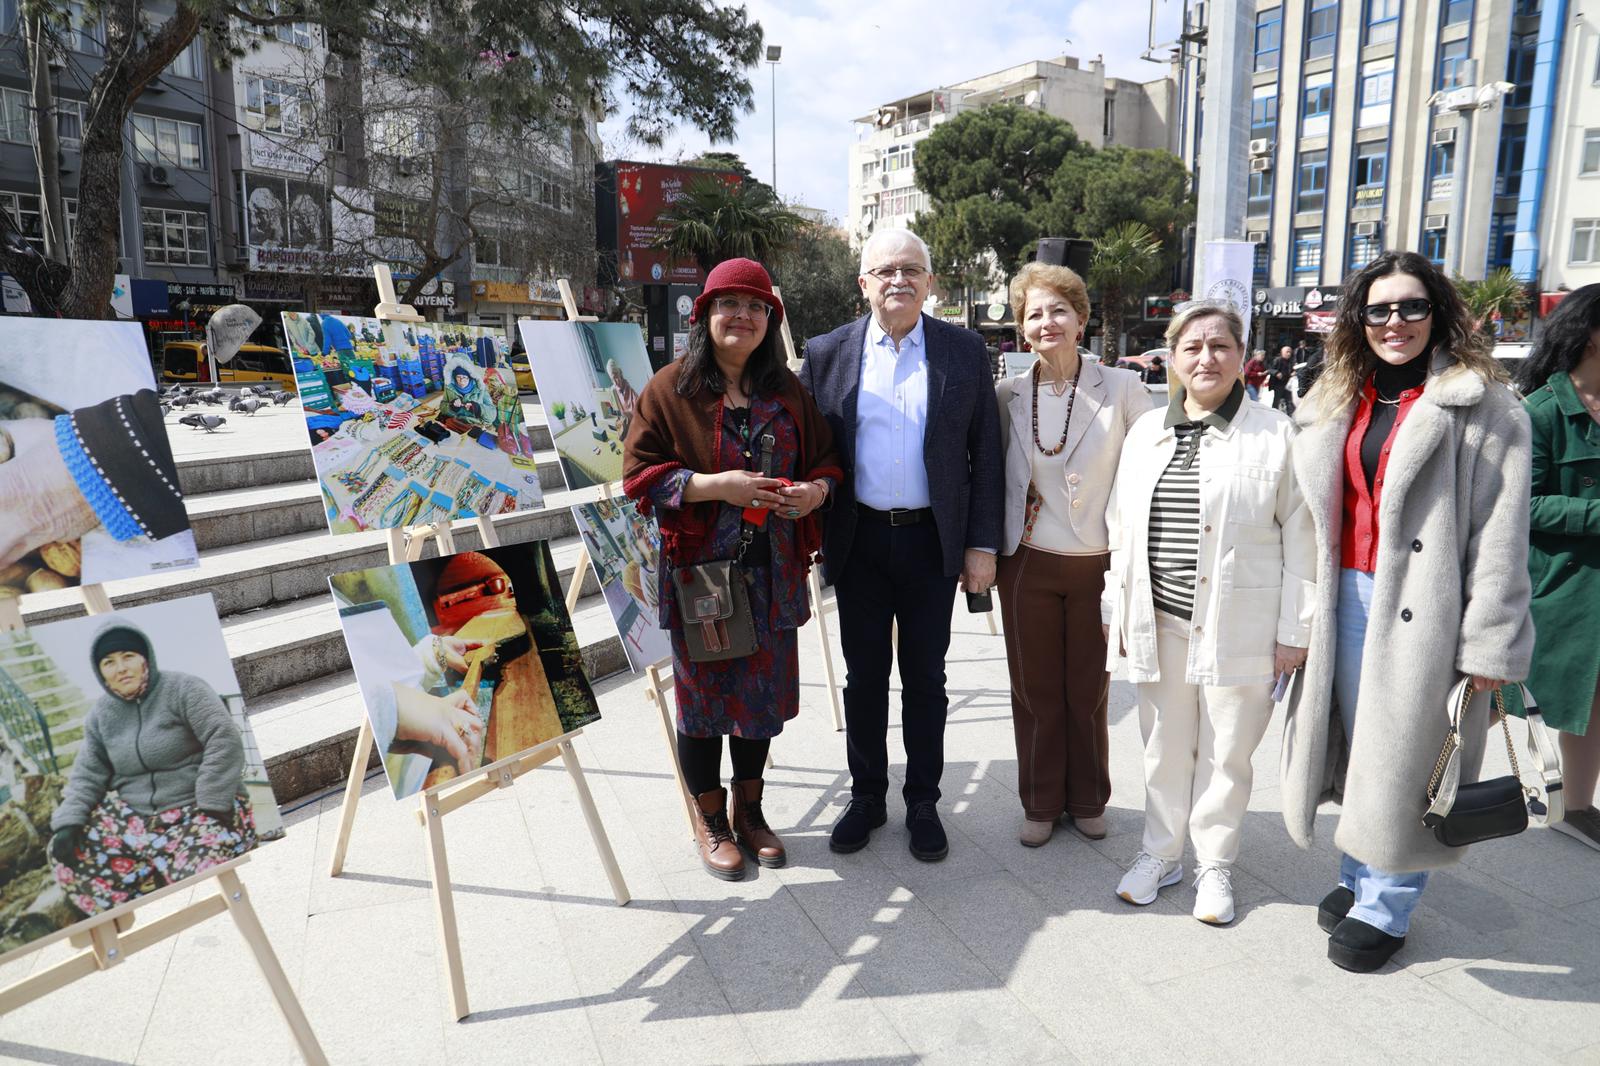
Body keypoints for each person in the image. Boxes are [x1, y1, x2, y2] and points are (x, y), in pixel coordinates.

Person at [1279, 250, 1533, 972]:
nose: (1396, 322)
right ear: (1358, 319)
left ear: (1438, 312)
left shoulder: (1484, 405)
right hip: (1343, 599)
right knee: (1362, 751)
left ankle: (1387, 904)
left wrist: (1490, 648)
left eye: (1412, 307)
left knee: (1409, 760)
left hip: (1429, 613)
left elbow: (1500, 539)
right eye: (1380, 309)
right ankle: (1361, 877)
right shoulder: (1337, 398)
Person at [624, 258, 843, 881]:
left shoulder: (789, 393)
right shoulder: (669, 390)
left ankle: (752, 812)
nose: (740, 317)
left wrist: (814, 495)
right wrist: (715, 485)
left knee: (758, 702)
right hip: (702, 579)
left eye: (754, 307)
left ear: (769, 320)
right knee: (703, 705)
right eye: (728, 305)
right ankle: (711, 819)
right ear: (705, 315)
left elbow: (826, 459)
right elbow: (638, 478)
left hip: (772, 574)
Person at [1103, 303, 1315, 924]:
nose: (1205, 358)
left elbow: (1303, 538)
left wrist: (1293, 633)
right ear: (1172, 357)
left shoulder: (1274, 433)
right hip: (1159, 619)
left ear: (1240, 354)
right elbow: (1121, 529)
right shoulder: (1146, 434)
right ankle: (1160, 853)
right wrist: (1117, 610)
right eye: (1191, 347)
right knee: (1164, 745)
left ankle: (1214, 863)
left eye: (1219, 346)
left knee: (1227, 752)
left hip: (1239, 626)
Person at [799, 228, 1004, 862]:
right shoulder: (827, 352)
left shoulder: (963, 351)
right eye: (884, 269)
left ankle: (923, 801)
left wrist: (981, 547)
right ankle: (866, 796)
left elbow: (985, 457)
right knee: (864, 679)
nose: (899, 279)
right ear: (863, 283)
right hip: (857, 540)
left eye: (912, 269)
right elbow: (811, 450)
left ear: (930, 282)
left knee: (925, 678)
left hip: (929, 545)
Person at [994, 262, 1152, 847]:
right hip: (1028, 559)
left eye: (1058, 309)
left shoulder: (1124, 388)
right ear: (1022, 329)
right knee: (1033, 689)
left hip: (1100, 562)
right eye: (1034, 313)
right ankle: (1039, 801)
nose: (1046, 321)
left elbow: (1149, 473)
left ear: (1081, 320)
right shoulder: (1008, 394)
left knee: (1088, 689)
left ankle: (1087, 797)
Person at [49, 622, 257, 917]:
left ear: (145, 657)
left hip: (197, 807)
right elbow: (87, 774)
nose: (120, 668)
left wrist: (212, 802)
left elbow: (224, 738)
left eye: (128, 656)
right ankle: (126, 911)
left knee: (204, 881)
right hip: (136, 818)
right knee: (68, 855)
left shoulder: (183, 688)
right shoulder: (100, 715)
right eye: (109, 662)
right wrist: (69, 822)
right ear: (100, 672)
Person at [1509, 283, 1600, 850]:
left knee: (1592, 701)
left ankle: (1577, 806)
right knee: (1508, 696)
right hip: (1558, 586)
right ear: (1591, 336)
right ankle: (1428, 773)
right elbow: (1523, 501)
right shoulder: (1541, 410)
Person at [1269, 345, 1297, 414]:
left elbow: (1292, 371)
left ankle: (1289, 416)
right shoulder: (1277, 360)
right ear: (1282, 352)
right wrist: (1277, 373)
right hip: (1278, 384)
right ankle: (1274, 414)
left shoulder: (1291, 361)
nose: (1289, 354)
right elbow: (1270, 369)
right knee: (1277, 401)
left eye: (1290, 352)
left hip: (1287, 384)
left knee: (1289, 401)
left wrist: (1294, 372)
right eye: (1287, 352)